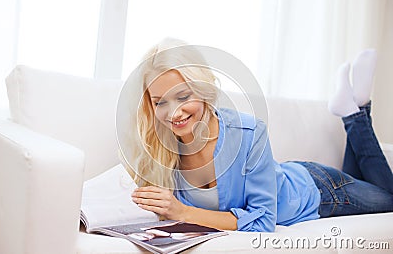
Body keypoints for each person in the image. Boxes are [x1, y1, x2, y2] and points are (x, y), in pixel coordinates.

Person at [128, 38, 393, 232]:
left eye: (183, 96)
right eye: (160, 101)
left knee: (390, 199)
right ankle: (356, 102)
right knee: (366, 182)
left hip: (319, 190)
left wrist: (182, 211)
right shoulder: (162, 148)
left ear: (202, 90)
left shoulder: (248, 132)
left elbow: (263, 220)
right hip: (286, 175)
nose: (173, 113)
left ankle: (355, 115)